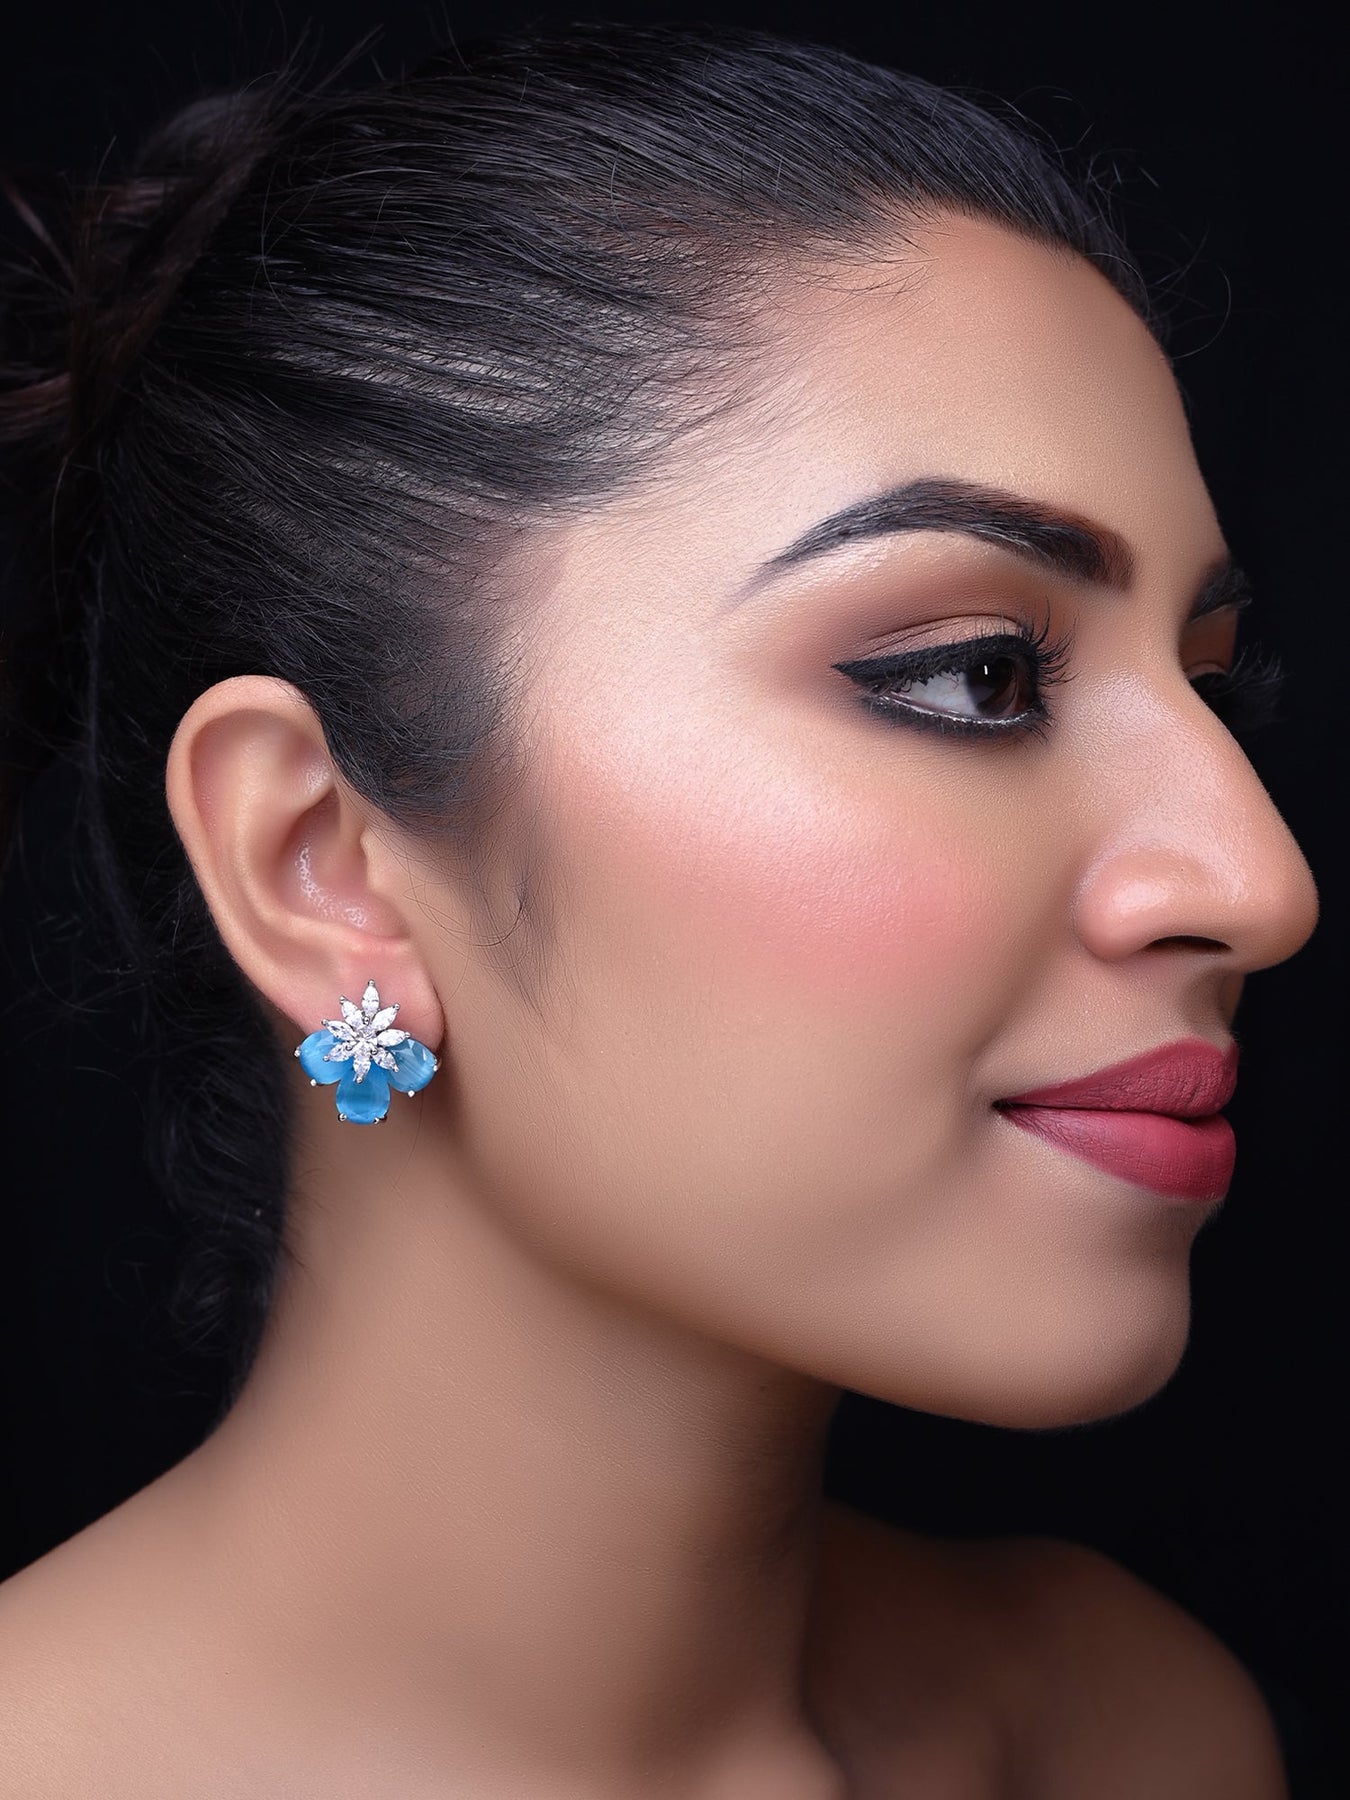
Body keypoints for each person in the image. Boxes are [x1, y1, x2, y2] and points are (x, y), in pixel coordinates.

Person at [0, 21, 1319, 1798]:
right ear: (321, 867)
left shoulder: (1132, 1737)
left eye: (1208, 688)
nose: (1257, 883)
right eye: (977, 676)